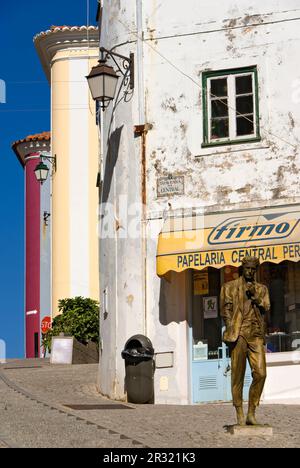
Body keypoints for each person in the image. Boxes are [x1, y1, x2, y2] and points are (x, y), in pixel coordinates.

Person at [220, 256, 270, 426]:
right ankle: (239, 410)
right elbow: (225, 310)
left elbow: (267, 306)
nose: (250, 272)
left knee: (261, 373)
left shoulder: (261, 289)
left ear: (256, 270)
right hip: (239, 333)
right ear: (242, 269)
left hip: (256, 334)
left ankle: (252, 412)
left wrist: (256, 297)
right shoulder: (230, 287)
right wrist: (231, 326)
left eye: (253, 269)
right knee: (238, 374)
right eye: (247, 269)